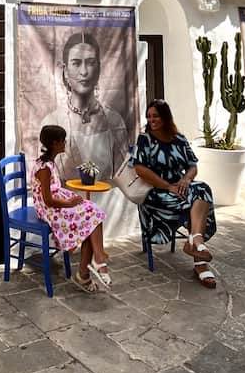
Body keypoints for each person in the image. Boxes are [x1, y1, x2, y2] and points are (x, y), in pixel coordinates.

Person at [132, 99, 218, 289]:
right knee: (197, 198)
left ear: (165, 116)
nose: (151, 119)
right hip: (156, 193)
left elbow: (192, 165)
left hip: (180, 189)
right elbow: (139, 169)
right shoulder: (145, 140)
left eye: (155, 115)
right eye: (149, 116)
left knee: (201, 188)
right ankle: (199, 255)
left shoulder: (179, 139)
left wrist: (186, 180)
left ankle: (195, 241)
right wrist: (167, 186)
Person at [30, 124, 111, 293]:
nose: (65, 143)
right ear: (54, 143)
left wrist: (70, 200)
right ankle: (93, 263)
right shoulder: (44, 168)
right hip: (48, 209)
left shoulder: (50, 162)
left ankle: (91, 265)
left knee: (92, 212)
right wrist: (69, 203)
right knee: (91, 216)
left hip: (55, 202)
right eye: (62, 140)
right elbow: (47, 200)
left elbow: (54, 191)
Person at [40, 31, 130, 181]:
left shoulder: (114, 120)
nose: (84, 72)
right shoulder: (52, 122)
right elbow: (46, 175)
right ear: (66, 70)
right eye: (76, 63)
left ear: (99, 68)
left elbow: (122, 174)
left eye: (90, 62)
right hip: (66, 198)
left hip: (105, 196)